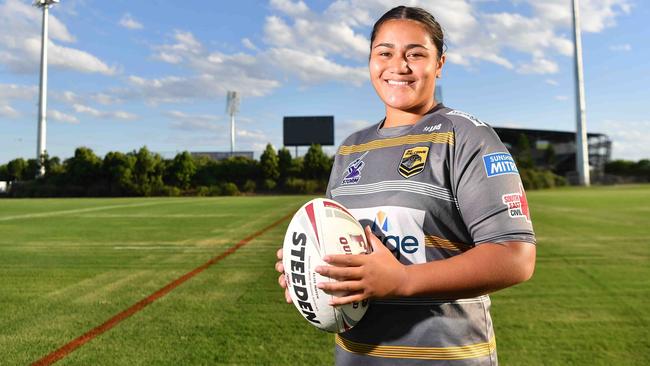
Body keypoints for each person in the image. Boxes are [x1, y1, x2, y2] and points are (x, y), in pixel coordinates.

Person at [275, 5, 536, 365]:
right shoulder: (352, 149)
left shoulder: (467, 137)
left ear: (439, 63)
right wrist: (310, 267)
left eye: (415, 54)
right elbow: (346, 246)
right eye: (385, 53)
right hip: (357, 357)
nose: (399, 65)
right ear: (370, 60)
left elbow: (515, 257)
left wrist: (401, 281)